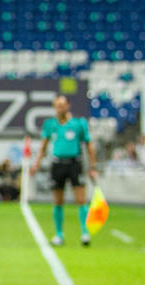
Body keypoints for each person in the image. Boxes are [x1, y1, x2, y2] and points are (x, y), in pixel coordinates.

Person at [29, 95, 99, 247]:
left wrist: (93, 167)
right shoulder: (50, 124)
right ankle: (59, 234)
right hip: (57, 164)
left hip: (74, 164)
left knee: (81, 200)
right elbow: (43, 146)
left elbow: (89, 145)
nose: (58, 108)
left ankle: (85, 233)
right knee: (57, 201)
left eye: (61, 105)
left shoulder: (79, 124)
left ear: (68, 106)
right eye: (56, 106)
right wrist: (36, 164)